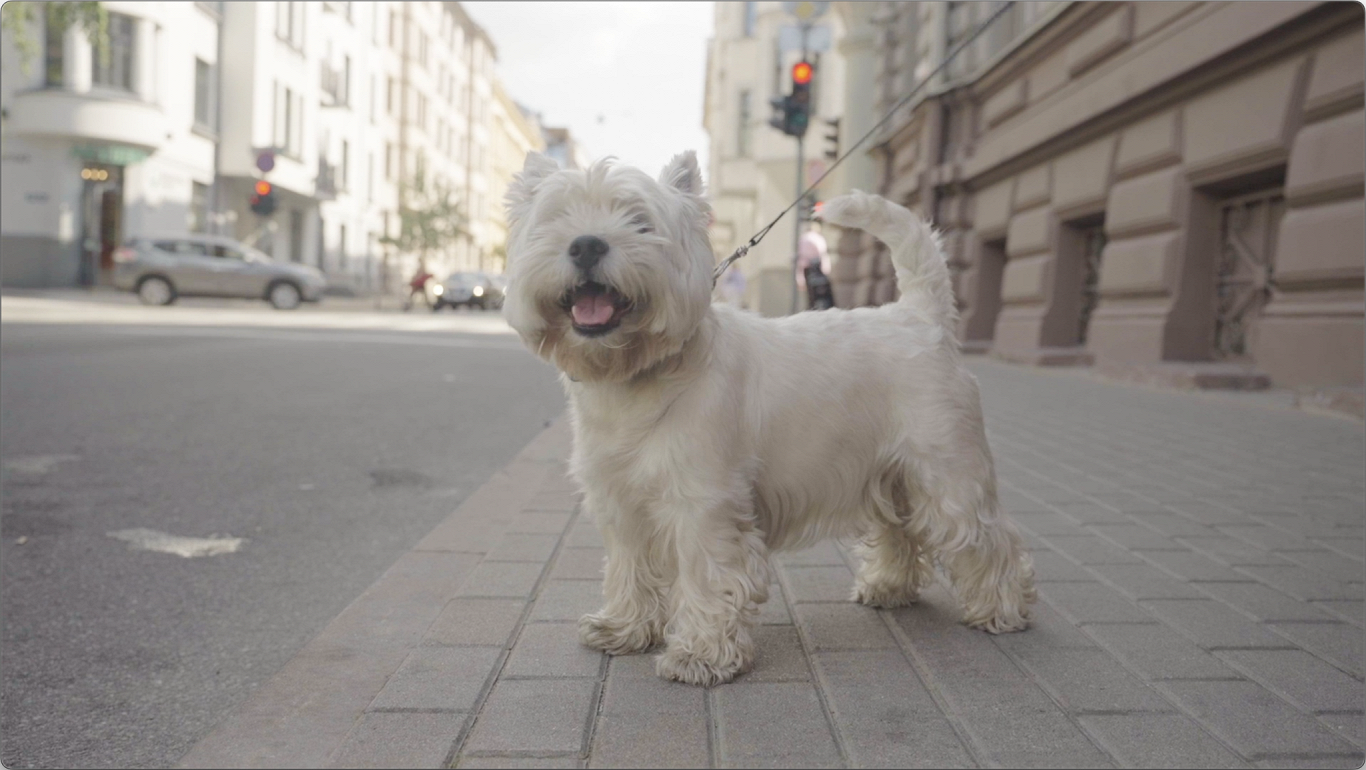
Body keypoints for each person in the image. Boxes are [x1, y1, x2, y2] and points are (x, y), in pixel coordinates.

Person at [795, 222, 834, 310]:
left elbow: (800, 261)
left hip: (807, 270)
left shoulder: (803, 239)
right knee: (823, 296)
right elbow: (823, 254)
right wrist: (826, 269)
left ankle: (813, 311)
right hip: (818, 269)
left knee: (811, 296)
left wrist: (799, 278)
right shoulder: (818, 238)